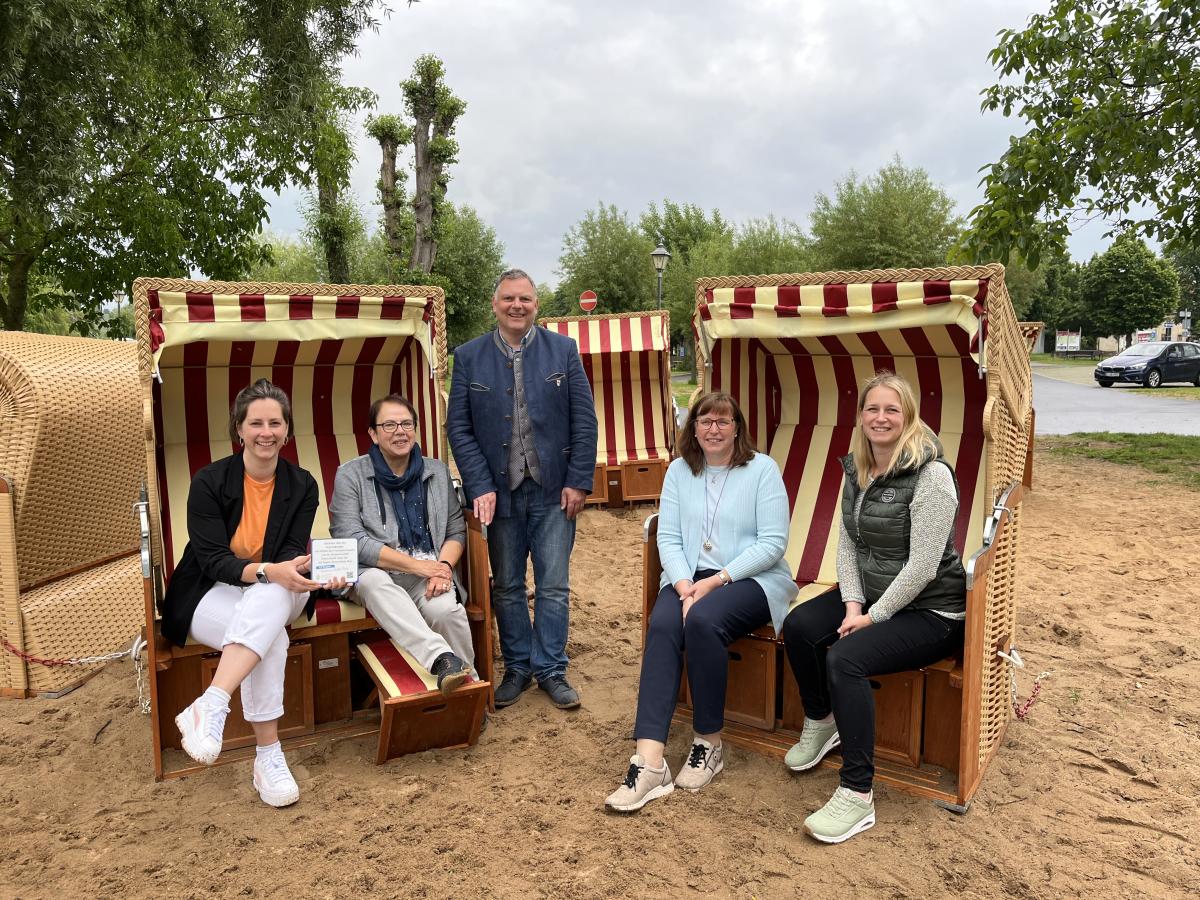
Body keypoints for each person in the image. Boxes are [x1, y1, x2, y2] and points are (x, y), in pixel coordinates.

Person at [781, 371, 967, 843]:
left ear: (908, 417)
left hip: (932, 611)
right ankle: (822, 722)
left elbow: (925, 566)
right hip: (872, 600)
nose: (880, 418)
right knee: (800, 625)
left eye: (891, 409)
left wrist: (872, 617)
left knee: (845, 658)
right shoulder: (859, 469)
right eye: (872, 409)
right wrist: (851, 603)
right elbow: (847, 545)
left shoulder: (933, 475)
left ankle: (857, 793)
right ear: (860, 416)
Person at [604, 392, 797, 812]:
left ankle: (709, 742)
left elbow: (773, 544)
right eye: (705, 421)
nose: (713, 429)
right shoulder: (678, 472)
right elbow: (669, 537)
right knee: (663, 624)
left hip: (751, 577)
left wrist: (714, 584)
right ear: (693, 429)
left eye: (723, 422)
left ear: (737, 428)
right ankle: (650, 761)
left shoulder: (762, 470)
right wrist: (683, 583)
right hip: (688, 577)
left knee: (703, 621)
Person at [161, 378, 343, 808]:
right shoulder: (209, 481)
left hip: (283, 587)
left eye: (275, 423)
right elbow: (210, 560)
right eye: (256, 423)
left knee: (272, 594)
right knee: (271, 637)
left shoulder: (302, 484)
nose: (267, 432)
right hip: (212, 588)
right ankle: (268, 756)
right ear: (239, 429)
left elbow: (291, 555)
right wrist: (266, 571)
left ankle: (212, 703)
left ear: (287, 430)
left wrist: (315, 572)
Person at [447, 269, 598, 711]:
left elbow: (584, 421)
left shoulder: (563, 351)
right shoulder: (469, 356)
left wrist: (577, 480)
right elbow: (459, 427)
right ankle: (518, 666)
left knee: (553, 585)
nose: (517, 306)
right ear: (495, 304)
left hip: (554, 491)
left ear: (536, 305)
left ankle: (551, 668)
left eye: (525, 299)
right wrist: (479, 484)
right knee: (508, 586)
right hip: (499, 492)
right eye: (509, 298)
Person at [329, 393, 474, 692]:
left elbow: (455, 529)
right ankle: (442, 658)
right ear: (373, 432)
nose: (400, 432)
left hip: (429, 571)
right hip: (375, 572)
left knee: (446, 612)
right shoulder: (351, 474)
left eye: (407, 424)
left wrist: (443, 567)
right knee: (373, 583)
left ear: (416, 429)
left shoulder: (436, 471)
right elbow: (351, 539)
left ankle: (467, 693)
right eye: (389, 425)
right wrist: (421, 567)